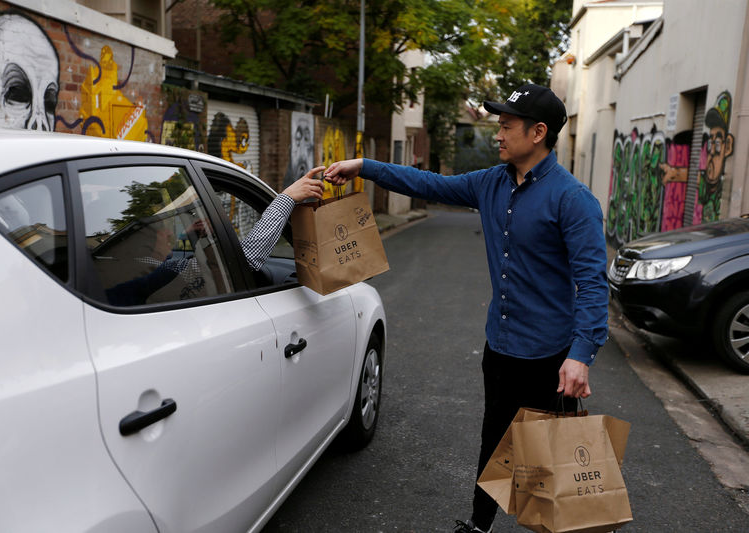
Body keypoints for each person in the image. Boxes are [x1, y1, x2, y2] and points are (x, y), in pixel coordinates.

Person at [324, 84, 608, 533]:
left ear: (537, 133)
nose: (497, 134)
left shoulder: (572, 199)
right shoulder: (490, 183)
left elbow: (593, 282)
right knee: (494, 442)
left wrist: (581, 354)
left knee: (551, 457)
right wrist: (363, 166)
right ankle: (480, 525)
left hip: (550, 356)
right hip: (500, 347)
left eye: (505, 126)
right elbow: (429, 183)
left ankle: (569, 525)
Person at [105, 167, 326, 306]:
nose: (168, 233)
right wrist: (286, 198)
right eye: (162, 229)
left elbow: (171, 264)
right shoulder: (153, 277)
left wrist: (189, 237)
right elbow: (246, 260)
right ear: (142, 243)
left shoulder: (119, 282)